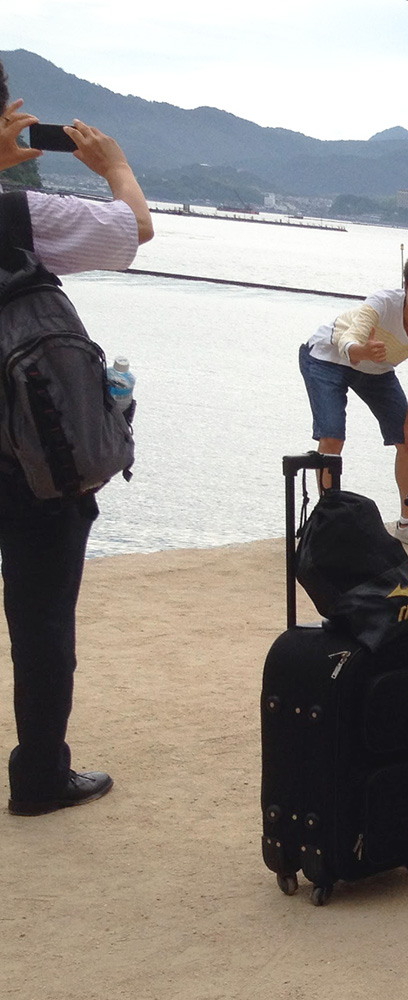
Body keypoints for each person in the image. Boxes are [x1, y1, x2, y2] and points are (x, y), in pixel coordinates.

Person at [0, 64, 154, 816]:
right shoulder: (18, 214)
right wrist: (115, 165)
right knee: (40, 617)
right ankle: (38, 776)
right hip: (28, 458)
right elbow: (135, 227)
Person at [299, 249, 408, 544]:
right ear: (405, 286)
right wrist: (359, 351)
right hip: (327, 357)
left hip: (377, 369)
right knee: (332, 436)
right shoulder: (382, 303)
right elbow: (350, 336)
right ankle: (327, 520)